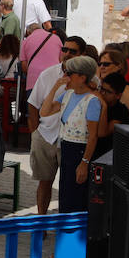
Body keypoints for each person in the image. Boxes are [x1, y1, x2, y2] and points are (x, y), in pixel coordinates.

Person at [26, 34, 83, 215]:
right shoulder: (48, 74)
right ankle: (41, 221)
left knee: (69, 185)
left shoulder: (88, 79)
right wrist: (35, 132)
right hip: (46, 135)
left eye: (72, 51)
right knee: (45, 182)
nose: (66, 54)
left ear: (81, 54)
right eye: (64, 49)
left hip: (72, 138)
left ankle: (65, 225)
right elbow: (33, 104)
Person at [38, 55, 101, 214]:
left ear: (82, 77)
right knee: (66, 194)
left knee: (76, 196)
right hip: (66, 148)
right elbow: (45, 111)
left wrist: (84, 163)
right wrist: (54, 87)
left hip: (79, 151)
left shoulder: (92, 101)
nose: (66, 77)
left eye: (70, 73)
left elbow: (93, 136)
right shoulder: (68, 95)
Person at [97, 49, 129, 124]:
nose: (102, 67)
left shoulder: (125, 88)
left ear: (119, 66)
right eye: (100, 64)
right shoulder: (102, 85)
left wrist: (113, 127)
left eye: (106, 64)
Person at [95, 74, 129, 159]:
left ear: (118, 95)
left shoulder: (121, 110)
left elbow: (102, 133)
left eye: (108, 92)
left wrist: (104, 107)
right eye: (102, 89)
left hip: (110, 155)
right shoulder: (96, 104)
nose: (102, 93)